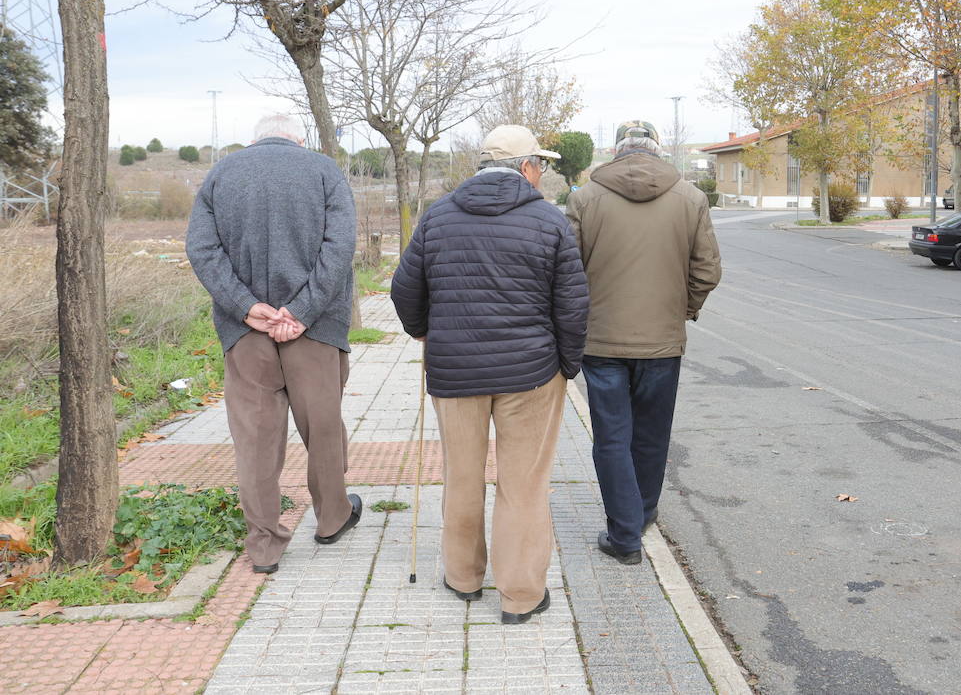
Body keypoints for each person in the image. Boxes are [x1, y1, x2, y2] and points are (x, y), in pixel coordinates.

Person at [390, 124, 588, 625]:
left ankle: (463, 578)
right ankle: (520, 596)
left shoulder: (438, 216)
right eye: (540, 164)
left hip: (455, 373)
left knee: (462, 475)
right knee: (523, 485)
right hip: (532, 374)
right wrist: (569, 363)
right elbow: (572, 305)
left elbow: (404, 290)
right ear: (526, 167)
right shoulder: (549, 221)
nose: (542, 173)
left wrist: (424, 333)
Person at [186, 113, 362, 575]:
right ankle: (331, 519)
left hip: (246, 332)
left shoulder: (221, 173)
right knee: (323, 428)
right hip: (316, 330)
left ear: (254, 138)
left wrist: (245, 306)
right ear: (299, 140)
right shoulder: (325, 169)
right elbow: (339, 248)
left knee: (256, 441)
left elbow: (202, 250)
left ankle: (264, 544)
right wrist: (302, 311)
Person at [566, 120, 721, 565]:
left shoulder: (584, 199)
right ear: (657, 149)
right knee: (652, 435)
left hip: (601, 342)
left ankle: (624, 534)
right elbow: (707, 270)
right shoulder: (691, 198)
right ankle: (644, 512)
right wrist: (682, 308)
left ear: (616, 151)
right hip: (662, 343)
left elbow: (569, 273)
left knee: (612, 438)